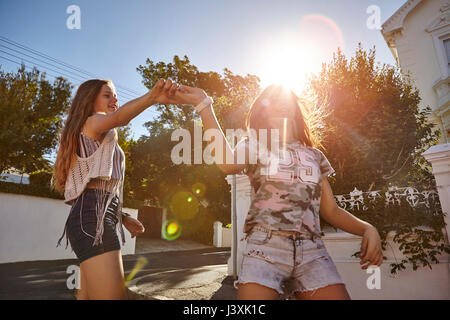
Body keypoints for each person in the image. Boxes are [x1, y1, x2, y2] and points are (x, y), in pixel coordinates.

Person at [171, 84, 383, 300]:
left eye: (285, 99)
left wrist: (368, 229)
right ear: (264, 109)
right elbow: (227, 162)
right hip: (265, 248)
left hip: (312, 251)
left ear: (295, 109)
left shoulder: (315, 155)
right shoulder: (254, 144)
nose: (280, 103)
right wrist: (204, 104)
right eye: (273, 100)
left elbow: (331, 210)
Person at [52, 78, 181, 299]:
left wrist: (120, 216)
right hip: (93, 221)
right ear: (89, 100)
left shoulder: (96, 132)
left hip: (94, 217)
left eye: (115, 95)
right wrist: (152, 97)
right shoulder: (93, 122)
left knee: (86, 297)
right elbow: (120, 118)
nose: (114, 99)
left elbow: (95, 188)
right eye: (107, 95)